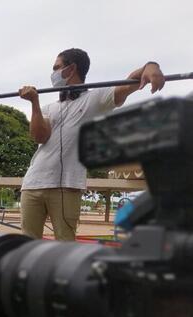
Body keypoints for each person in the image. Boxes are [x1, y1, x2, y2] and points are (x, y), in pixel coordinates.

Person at [18, 48, 165, 241]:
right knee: (26, 245)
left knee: (65, 246)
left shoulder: (94, 99)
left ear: (71, 69)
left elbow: (128, 83)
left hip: (67, 186)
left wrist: (150, 66)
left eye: (57, 67)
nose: (53, 73)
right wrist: (34, 103)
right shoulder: (48, 108)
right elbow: (39, 136)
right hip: (32, 183)